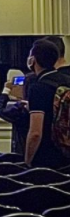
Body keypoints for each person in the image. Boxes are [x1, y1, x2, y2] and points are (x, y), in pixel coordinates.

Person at [25, 39, 70, 167]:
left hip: (48, 157)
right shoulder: (67, 80)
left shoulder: (38, 87)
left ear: (33, 60)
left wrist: (27, 161)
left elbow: (35, 133)